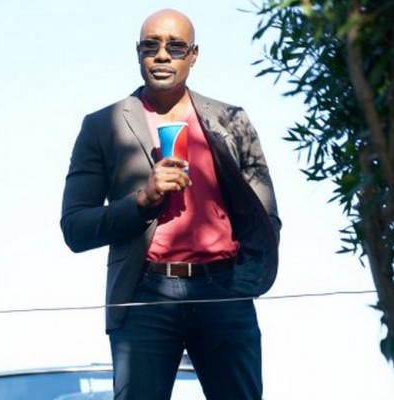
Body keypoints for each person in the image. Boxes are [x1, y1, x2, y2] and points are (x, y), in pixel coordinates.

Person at [61, 8, 281, 400]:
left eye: (175, 47)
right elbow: (75, 227)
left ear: (193, 55)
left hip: (224, 290)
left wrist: (243, 283)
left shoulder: (231, 120)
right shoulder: (102, 126)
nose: (162, 55)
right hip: (144, 294)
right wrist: (143, 200)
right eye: (151, 46)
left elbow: (264, 216)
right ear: (138, 52)